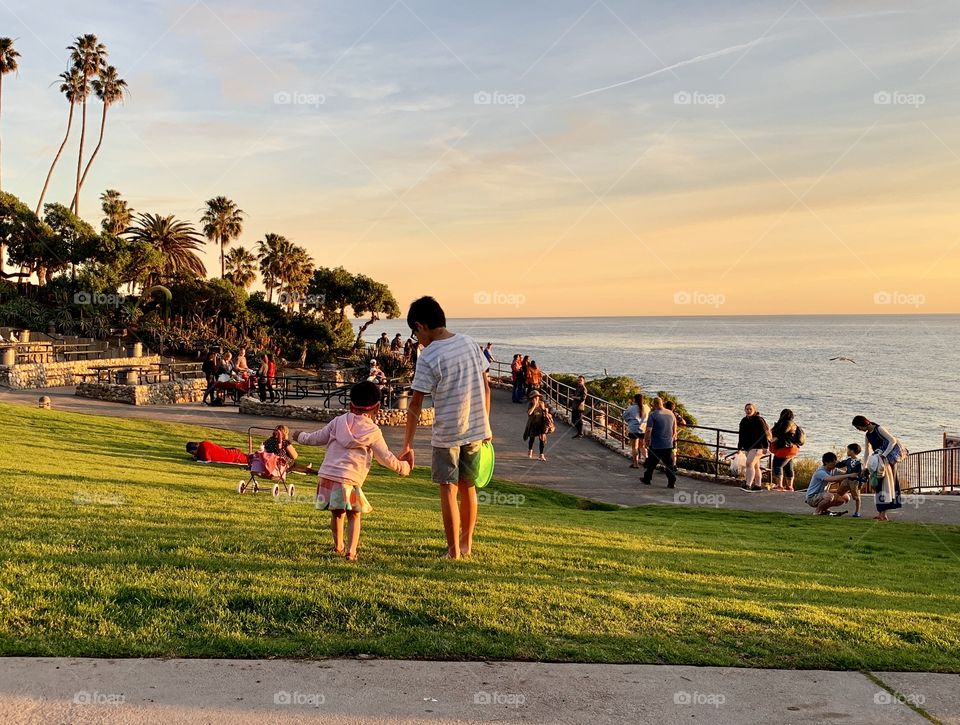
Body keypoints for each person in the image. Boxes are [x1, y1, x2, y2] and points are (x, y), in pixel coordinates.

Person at [401, 296, 491, 560]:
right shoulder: (470, 343)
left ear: (421, 326)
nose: (417, 339)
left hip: (447, 434)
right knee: (468, 487)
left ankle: (453, 552)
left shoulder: (428, 355)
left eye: (415, 333)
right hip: (476, 430)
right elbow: (486, 387)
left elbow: (415, 405)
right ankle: (466, 545)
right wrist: (486, 424)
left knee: (448, 491)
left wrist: (407, 444)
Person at [292, 382, 411, 561]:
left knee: (337, 513)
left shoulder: (338, 421)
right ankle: (351, 552)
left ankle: (338, 545)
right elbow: (385, 457)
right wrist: (404, 468)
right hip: (349, 478)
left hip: (327, 476)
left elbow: (317, 438)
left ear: (350, 405)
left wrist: (300, 436)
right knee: (354, 515)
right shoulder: (373, 431)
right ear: (377, 408)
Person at [852, 416, 907, 520]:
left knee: (886, 486)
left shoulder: (879, 429)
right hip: (879, 461)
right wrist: (865, 466)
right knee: (879, 486)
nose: (859, 430)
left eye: (859, 427)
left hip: (886, 461)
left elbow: (893, 440)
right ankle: (882, 513)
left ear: (863, 424)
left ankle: (882, 513)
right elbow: (867, 452)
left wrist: (884, 455)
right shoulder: (868, 435)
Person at [641, 397, 678, 488]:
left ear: (654, 404)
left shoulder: (653, 415)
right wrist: (671, 439)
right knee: (668, 464)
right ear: (662, 403)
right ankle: (671, 481)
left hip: (656, 444)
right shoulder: (671, 414)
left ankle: (647, 479)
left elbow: (649, 430)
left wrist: (646, 440)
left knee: (651, 463)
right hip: (668, 444)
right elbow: (674, 430)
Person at [769, 409, 805, 492]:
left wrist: (772, 433)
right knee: (788, 467)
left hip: (785, 448)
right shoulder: (794, 425)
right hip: (793, 448)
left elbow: (780, 433)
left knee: (777, 465)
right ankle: (790, 486)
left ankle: (779, 486)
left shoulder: (786, 423)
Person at [737, 403, 771, 492]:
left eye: (750, 409)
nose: (748, 411)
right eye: (747, 409)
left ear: (754, 410)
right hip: (748, 446)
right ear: (745, 410)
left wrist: (765, 446)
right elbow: (741, 434)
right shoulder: (744, 421)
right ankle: (758, 485)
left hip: (758, 446)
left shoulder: (759, 420)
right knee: (756, 466)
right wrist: (739, 447)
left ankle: (748, 484)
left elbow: (764, 433)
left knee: (749, 463)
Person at [834, 443, 865, 517]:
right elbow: (840, 464)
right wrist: (835, 463)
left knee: (856, 496)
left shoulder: (859, 463)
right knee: (839, 492)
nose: (847, 451)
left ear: (852, 451)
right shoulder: (848, 461)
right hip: (847, 479)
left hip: (855, 481)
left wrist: (861, 482)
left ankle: (857, 512)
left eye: (848, 450)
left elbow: (861, 473)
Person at [622, 393, 649, 468]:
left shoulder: (631, 408)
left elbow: (624, 416)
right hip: (643, 429)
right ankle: (647, 459)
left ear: (635, 399)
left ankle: (635, 463)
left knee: (634, 447)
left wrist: (629, 421)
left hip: (633, 429)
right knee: (642, 446)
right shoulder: (646, 407)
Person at [523, 391, 551, 461]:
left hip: (541, 424)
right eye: (534, 397)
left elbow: (544, 412)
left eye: (537, 396)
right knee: (532, 438)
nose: (536, 398)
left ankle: (541, 455)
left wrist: (546, 410)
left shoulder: (541, 403)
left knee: (542, 439)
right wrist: (534, 405)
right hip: (533, 423)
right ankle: (530, 450)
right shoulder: (530, 404)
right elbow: (529, 413)